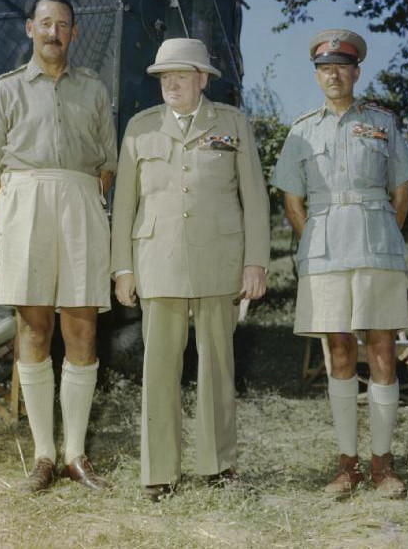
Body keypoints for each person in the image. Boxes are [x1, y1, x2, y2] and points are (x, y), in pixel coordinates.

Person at [111, 38, 270, 501]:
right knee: (159, 367)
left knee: (218, 365)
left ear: (203, 79)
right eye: (164, 76)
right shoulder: (141, 129)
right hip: (157, 261)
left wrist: (255, 261)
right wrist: (123, 267)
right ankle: (159, 471)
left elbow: (255, 199)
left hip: (218, 260)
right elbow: (124, 206)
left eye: (181, 75)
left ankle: (218, 465)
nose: (171, 83)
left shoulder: (233, 124)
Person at [0, 0, 117, 493]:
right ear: (30, 28)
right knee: (33, 330)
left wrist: (83, 206)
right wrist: (13, 221)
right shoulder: (5, 92)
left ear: (74, 34)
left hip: (80, 204)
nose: (54, 32)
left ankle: (76, 454)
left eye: (64, 25)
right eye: (46, 24)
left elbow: (107, 163)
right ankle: (43, 457)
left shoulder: (94, 90)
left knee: (82, 330)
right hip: (24, 207)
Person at [272, 29, 408, 498]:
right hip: (324, 251)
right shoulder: (301, 130)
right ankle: (346, 465)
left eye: (341, 67)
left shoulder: (383, 123)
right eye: (324, 68)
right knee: (337, 351)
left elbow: (401, 197)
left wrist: (376, 230)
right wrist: (318, 237)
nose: (333, 75)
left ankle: (382, 465)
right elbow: (292, 201)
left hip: (377, 246)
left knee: (381, 350)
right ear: (317, 75)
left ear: (356, 72)